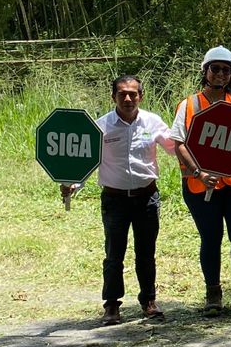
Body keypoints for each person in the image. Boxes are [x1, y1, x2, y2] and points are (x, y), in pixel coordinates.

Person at [72, 75, 174, 326]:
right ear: (113, 97)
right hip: (115, 199)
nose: (128, 99)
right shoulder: (101, 126)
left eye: (133, 94)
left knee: (146, 253)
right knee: (114, 254)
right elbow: (88, 159)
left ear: (141, 96)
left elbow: (176, 148)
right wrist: (73, 184)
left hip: (146, 197)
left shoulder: (153, 122)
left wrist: (201, 164)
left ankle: (148, 302)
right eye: (122, 94)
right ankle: (112, 305)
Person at [170, 46, 231, 314]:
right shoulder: (190, 104)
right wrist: (199, 172)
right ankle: (213, 295)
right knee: (211, 238)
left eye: (226, 70)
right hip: (201, 186)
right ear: (205, 71)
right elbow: (179, 143)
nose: (220, 74)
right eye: (215, 68)